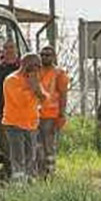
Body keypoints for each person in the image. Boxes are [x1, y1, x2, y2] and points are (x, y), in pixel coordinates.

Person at [0, 53, 45, 181]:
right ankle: (18, 185)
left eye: (39, 66)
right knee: (18, 157)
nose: (38, 69)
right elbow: (21, 101)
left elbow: (43, 98)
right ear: (26, 65)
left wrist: (36, 88)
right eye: (36, 65)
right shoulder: (12, 80)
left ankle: (29, 182)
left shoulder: (34, 80)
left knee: (31, 157)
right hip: (14, 125)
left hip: (31, 125)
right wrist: (33, 88)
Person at [37, 45, 68, 173]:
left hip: (51, 115)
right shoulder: (36, 71)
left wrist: (61, 114)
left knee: (49, 146)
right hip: (36, 115)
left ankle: (50, 172)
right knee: (38, 146)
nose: (44, 57)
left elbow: (63, 94)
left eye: (48, 55)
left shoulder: (59, 73)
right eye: (42, 55)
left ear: (53, 57)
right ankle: (40, 171)